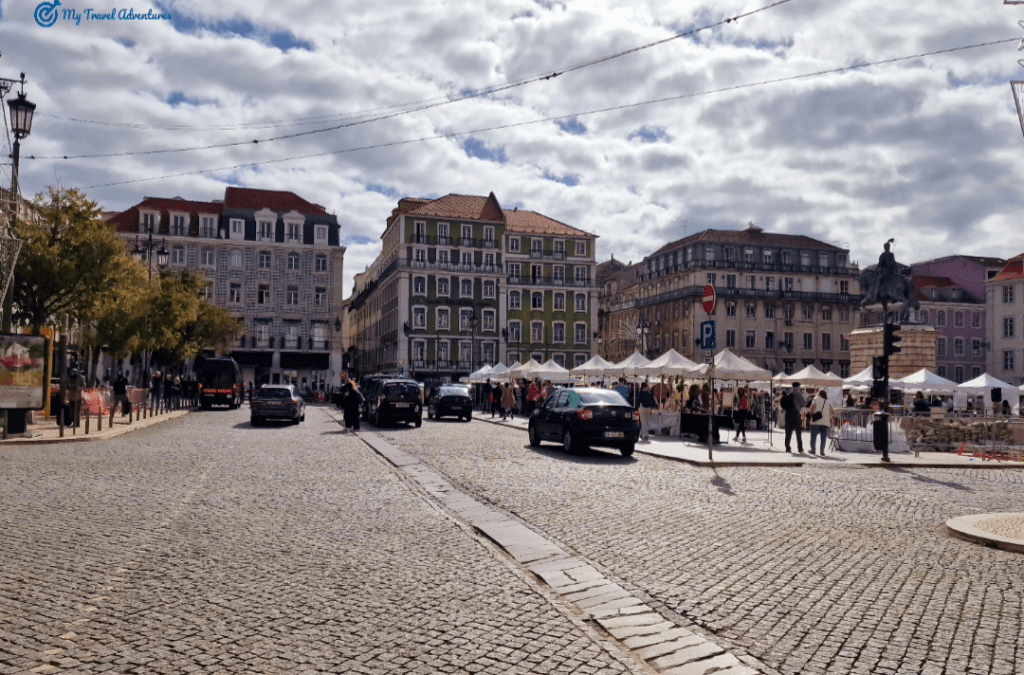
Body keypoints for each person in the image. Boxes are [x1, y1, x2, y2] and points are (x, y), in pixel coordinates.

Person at [781, 381, 806, 453]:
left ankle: (787, 447)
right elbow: (803, 404)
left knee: (788, 432)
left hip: (788, 414)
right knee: (798, 432)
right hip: (796, 414)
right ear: (798, 386)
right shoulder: (798, 394)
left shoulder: (788, 393)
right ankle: (800, 448)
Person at [807, 389, 833, 456]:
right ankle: (822, 451)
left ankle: (813, 450)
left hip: (816, 421)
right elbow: (832, 412)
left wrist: (811, 413)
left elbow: (812, 408)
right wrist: (828, 415)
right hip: (826, 422)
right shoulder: (828, 401)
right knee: (823, 438)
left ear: (818, 393)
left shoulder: (815, 399)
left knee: (813, 437)